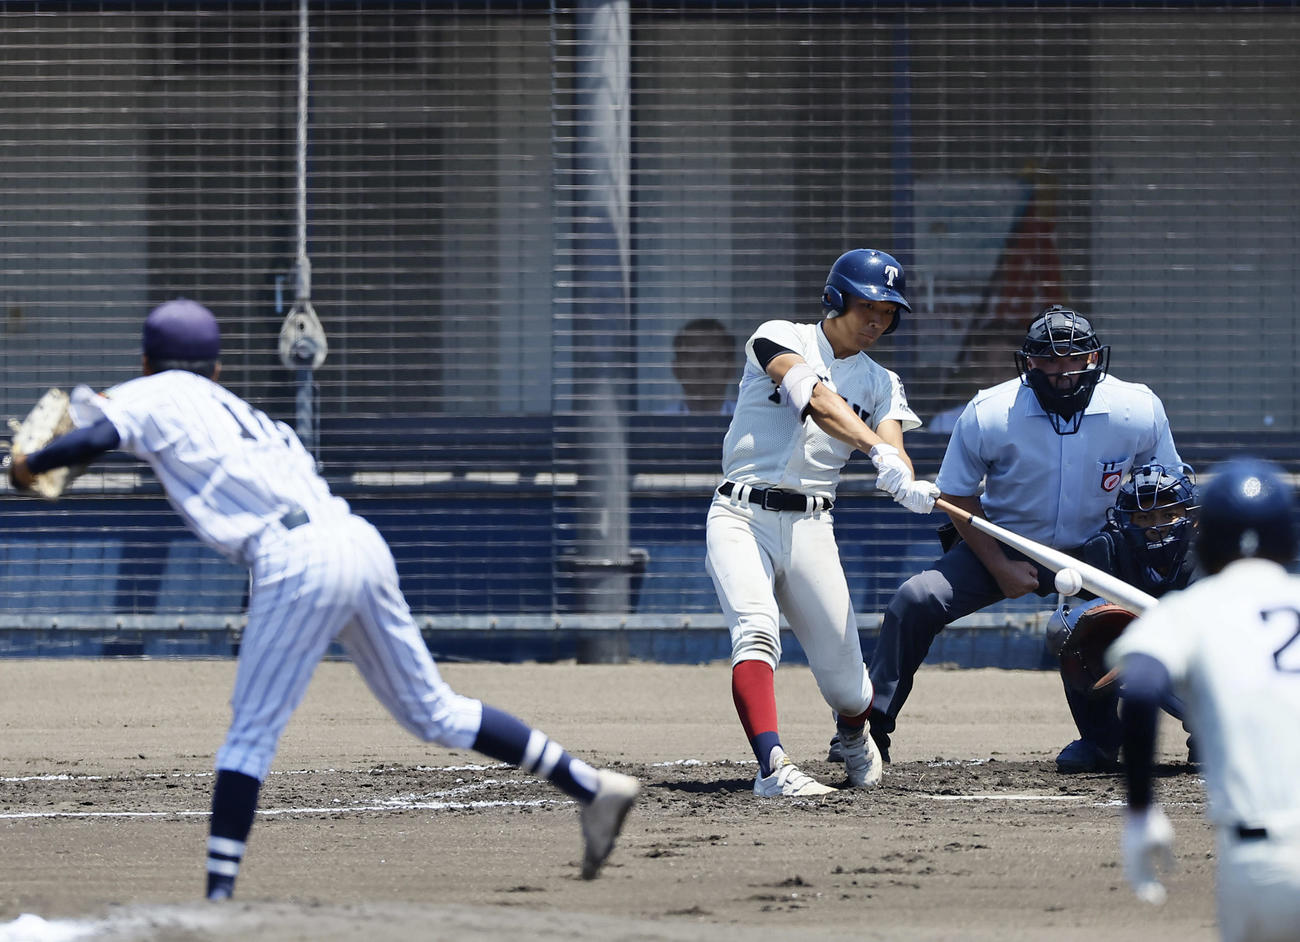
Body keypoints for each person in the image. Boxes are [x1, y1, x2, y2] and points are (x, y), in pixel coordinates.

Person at [5, 298, 639, 899]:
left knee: (250, 735)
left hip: (295, 558)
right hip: (356, 539)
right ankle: (589, 785)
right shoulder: (245, 415)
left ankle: (218, 901)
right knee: (435, 711)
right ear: (219, 366)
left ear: (146, 361)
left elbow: (92, 440)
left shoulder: (156, 391)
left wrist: (28, 465)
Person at [850, 304, 1181, 765]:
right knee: (916, 598)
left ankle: (1124, 739)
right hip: (1005, 541)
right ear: (1028, 362)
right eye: (1049, 359)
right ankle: (867, 733)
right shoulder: (991, 411)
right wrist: (1000, 566)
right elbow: (958, 496)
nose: (1063, 371)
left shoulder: (1137, 408)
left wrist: (1151, 566)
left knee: (1143, 617)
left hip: (1099, 549)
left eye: (1073, 359)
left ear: (1093, 359)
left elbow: (1165, 491)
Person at [705, 248, 939, 798]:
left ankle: (854, 734)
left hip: (812, 525)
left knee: (851, 689)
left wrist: (905, 478)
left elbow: (895, 450)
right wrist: (876, 450)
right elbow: (812, 397)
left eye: (889, 311)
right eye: (868, 306)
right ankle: (773, 769)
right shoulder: (779, 336)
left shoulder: (882, 382)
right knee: (756, 632)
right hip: (741, 514)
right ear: (835, 299)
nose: (879, 320)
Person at [1110, 457, 1300, 940]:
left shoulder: (1192, 609)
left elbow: (1143, 687)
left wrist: (1140, 809)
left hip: (1263, 861)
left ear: (1206, 536)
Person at [1047, 462, 1199, 772]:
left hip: (1200, 668)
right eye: (1143, 517)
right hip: (1140, 654)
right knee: (1067, 628)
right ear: (1125, 521)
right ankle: (1100, 739)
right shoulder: (1112, 551)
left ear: (1189, 517)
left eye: (1168, 514)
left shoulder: (1214, 554)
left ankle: (1213, 737)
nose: (1156, 525)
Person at [669, 317, 739, 416]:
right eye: (693, 356)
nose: (704, 367)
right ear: (677, 369)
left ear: (731, 368)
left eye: (714, 356)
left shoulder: (751, 426)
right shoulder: (655, 427)